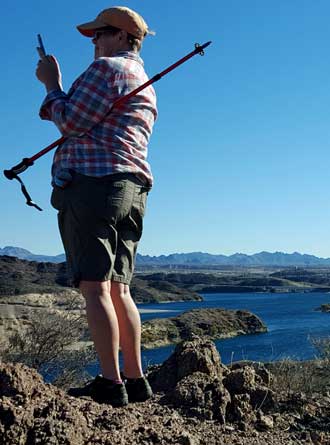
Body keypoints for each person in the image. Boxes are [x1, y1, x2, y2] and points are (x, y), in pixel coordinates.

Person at [36, 6, 157, 407]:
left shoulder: (106, 70)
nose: (94, 41)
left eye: (101, 33)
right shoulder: (143, 79)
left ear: (122, 37)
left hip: (95, 186)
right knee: (120, 288)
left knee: (95, 287)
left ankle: (110, 383)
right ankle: (136, 380)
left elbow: (71, 121)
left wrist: (52, 85)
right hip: (133, 188)